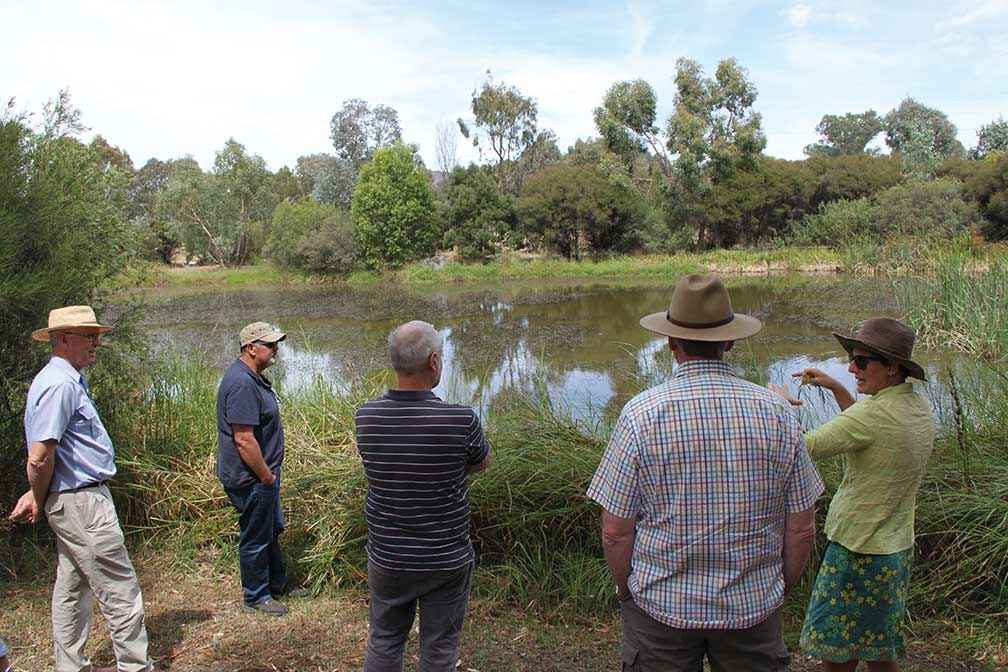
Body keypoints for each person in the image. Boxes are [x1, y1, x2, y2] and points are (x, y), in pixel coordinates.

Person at [586, 274, 825, 672]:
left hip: (660, 607)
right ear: (729, 341)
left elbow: (615, 530)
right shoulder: (778, 413)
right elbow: (802, 527)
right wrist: (776, 587)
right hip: (752, 609)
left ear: (670, 342)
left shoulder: (640, 415)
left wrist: (627, 588)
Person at [770, 317, 935, 672]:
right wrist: (835, 387)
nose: (851, 368)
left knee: (839, 654)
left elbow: (801, 446)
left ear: (891, 368)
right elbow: (864, 430)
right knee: (879, 649)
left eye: (861, 362)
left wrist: (780, 405)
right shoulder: (916, 406)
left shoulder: (871, 415)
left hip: (858, 550)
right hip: (895, 548)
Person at [9, 305, 152, 672]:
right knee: (119, 587)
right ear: (64, 339)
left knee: (72, 588)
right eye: (89, 336)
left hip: (75, 498)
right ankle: (135, 667)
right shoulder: (59, 385)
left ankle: (71, 667)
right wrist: (38, 495)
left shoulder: (65, 379)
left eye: (97, 335)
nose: (97, 343)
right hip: (82, 503)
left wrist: (35, 494)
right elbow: (40, 457)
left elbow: (49, 457)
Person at [356, 320, 491, 672]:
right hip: (446, 558)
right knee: (440, 647)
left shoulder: (366, 417)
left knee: (385, 639)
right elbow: (481, 463)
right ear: (434, 362)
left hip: (388, 556)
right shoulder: (461, 420)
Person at [216, 321, 305, 616]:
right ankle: (256, 596)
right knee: (255, 536)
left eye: (276, 343)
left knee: (270, 530)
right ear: (251, 348)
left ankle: (277, 583)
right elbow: (243, 439)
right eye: (270, 344)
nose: (276, 349)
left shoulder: (252, 377)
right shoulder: (241, 383)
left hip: (262, 475)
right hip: (251, 477)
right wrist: (266, 476)